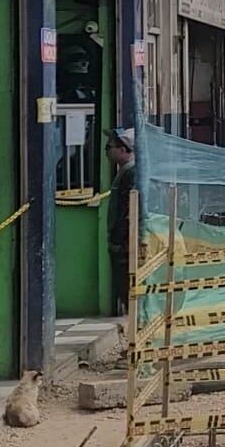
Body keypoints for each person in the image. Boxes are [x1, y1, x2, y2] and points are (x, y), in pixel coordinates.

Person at [105, 128, 137, 315]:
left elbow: (130, 210)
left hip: (124, 245)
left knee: (126, 285)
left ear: (124, 150)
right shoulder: (125, 172)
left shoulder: (131, 173)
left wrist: (123, 240)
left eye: (110, 147)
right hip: (122, 242)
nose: (107, 151)